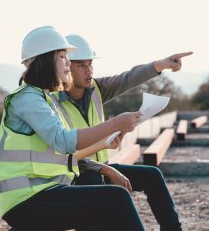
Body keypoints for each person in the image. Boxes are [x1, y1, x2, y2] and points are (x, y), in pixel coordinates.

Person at [0, 26, 146, 231]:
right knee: (116, 197)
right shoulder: (27, 98)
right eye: (62, 56)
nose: (68, 62)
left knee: (95, 209)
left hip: (47, 192)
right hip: (28, 200)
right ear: (46, 59)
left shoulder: (44, 98)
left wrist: (104, 146)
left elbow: (67, 150)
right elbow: (63, 141)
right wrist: (114, 123)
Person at [50, 34, 193, 231]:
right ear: (66, 66)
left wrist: (160, 65)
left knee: (152, 175)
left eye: (90, 63)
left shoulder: (96, 90)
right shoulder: (52, 104)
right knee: (93, 181)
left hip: (100, 167)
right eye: (81, 65)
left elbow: (128, 79)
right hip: (74, 175)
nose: (89, 70)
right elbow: (62, 154)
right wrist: (105, 168)